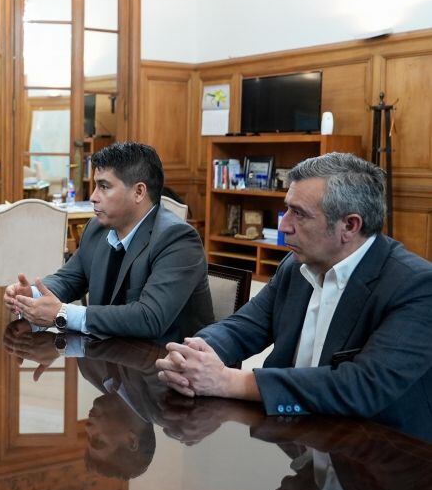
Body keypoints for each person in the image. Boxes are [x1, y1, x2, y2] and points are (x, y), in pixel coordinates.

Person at [156, 152, 432, 442]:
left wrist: (228, 381)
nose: (284, 225)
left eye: (299, 214)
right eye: (286, 209)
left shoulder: (416, 286)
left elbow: (362, 387)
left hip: (377, 456)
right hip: (293, 438)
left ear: (349, 226)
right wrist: (196, 354)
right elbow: (245, 326)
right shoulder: (297, 264)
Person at [3, 141, 213, 344]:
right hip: (111, 360)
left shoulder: (177, 239)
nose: (93, 197)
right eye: (95, 185)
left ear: (139, 192)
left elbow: (149, 318)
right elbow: (68, 279)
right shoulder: (96, 229)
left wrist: (63, 313)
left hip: (167, 367)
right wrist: (32, 295)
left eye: (104, 187)